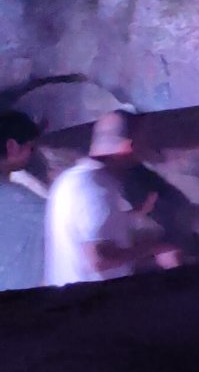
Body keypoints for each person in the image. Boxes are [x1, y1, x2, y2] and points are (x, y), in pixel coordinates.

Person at [43, 112, 174, 288]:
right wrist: (156, 249)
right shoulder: (96, 189)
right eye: (145, 142)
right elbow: (99, 260)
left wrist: (132, 217)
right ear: (129, 147)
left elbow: (90, 228)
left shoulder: (71, 179)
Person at [0, 110, 48, 292]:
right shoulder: (18, 200)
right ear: (12, 147)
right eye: (31, 148)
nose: (33, 155)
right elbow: (62, 222)